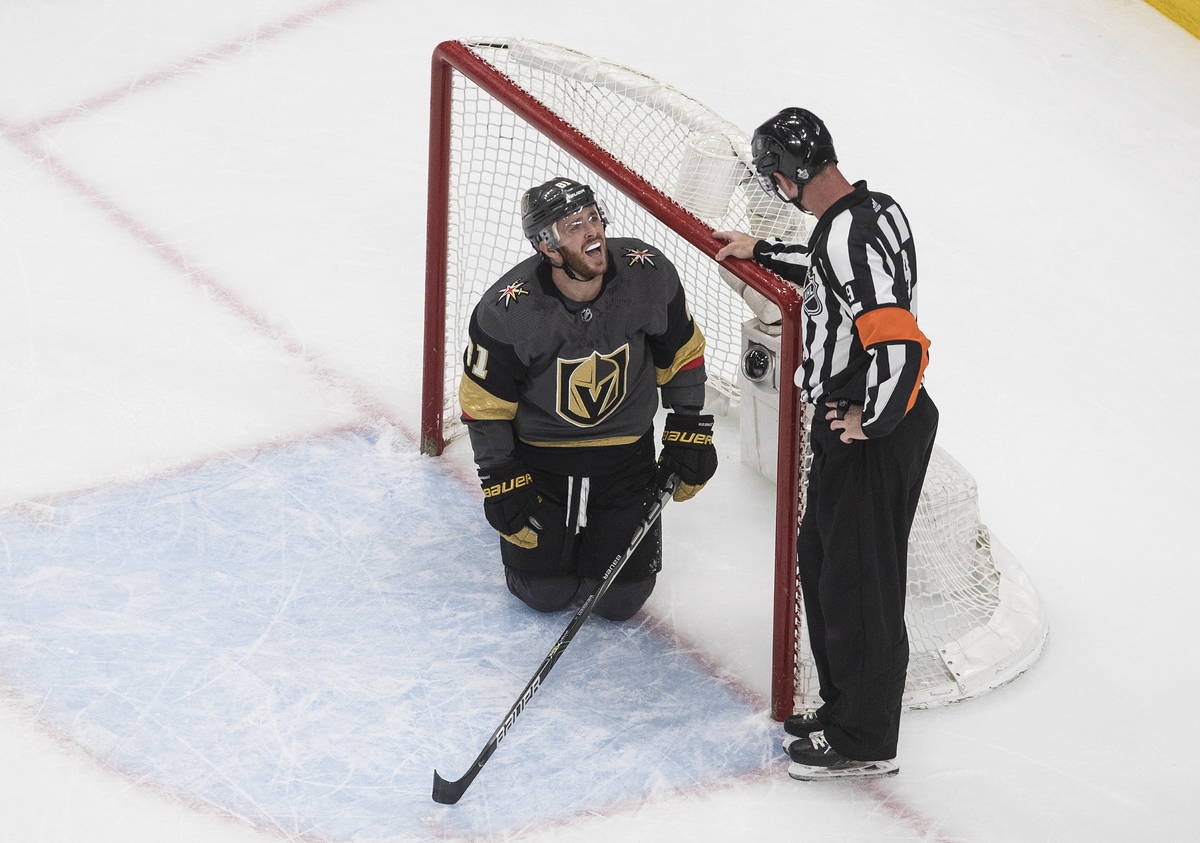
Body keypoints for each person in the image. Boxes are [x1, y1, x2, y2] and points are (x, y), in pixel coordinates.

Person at [715, 108, 938, 780]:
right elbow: (831, 273)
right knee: (827, 562)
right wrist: (764, 251)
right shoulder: (872, 211)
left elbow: (899, 338)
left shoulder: (844, 239)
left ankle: (863, 738)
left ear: (784, 178)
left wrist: (873, 420)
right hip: (867, 421)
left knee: (859, 584)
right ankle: (848, 707)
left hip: (869, 428)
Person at [458, 177, 717, 622]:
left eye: (593, 217)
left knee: (621, 601)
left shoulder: (646, 274)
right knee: (543, 592)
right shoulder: (508, 310)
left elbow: (682, 354)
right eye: (573, 226)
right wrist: (500, 475)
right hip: (542, 462)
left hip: (625, 460)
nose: (592, 231)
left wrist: (687, 428)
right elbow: (483, 405)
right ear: (548, 246)